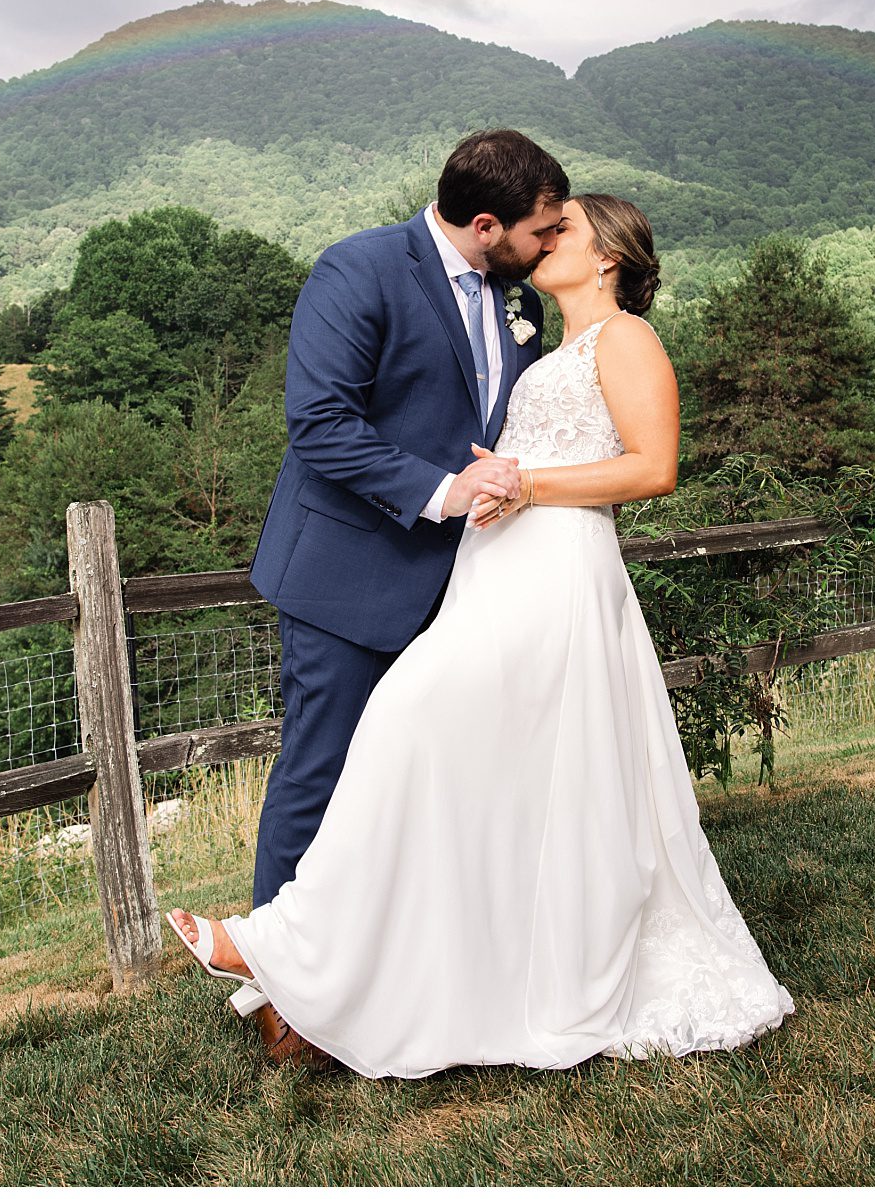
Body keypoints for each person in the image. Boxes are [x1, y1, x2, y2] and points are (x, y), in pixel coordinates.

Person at [171, 193, 794, 1078]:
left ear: (608, 255)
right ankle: (411, 971)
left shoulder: (627, 340)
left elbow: (654, 468)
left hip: (558, 574)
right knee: (496, 777)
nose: (546, 241)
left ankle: (280, 945)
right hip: (491, 572)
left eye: (564, 229)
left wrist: (529, 485)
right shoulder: (539, 330)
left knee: (409, 722)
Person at [236, 129, 568, 1060]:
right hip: (347, 578)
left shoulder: (513, 300)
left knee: (419, 782)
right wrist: (445, 491)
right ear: (488, 222)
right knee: (321, 773)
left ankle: (395, 972)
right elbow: (320, 424)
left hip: (460, 587)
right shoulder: (360, 269)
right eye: (540, 232)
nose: (549, 248)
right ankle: (283, 998)